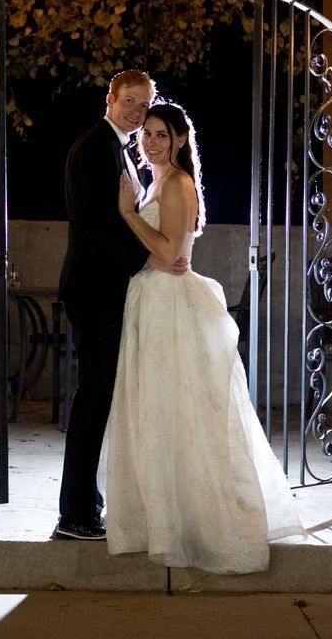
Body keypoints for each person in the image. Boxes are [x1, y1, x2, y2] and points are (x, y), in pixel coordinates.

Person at [104, 99, 305, 574]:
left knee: (184, 413)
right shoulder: (157, 181)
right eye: (146, 134)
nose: (150, 142)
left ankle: (201, 523)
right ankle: (159, 517)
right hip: (152, 302)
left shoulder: (175, 184)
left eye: (160, 134)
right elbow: (158, 254)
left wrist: (128, 215)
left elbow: (169, 251)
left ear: (178, 139)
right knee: (157, 413)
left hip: (171, 306)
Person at [53, 69, 188, 541]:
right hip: (95, 292)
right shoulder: (95, 148)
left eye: (143, 104)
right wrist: (151, 256)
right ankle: (75, 515)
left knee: (99, 398)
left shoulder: (121, 149)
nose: (135, 111)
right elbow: (94, 227)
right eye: (129, 101)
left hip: (109, 291)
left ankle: (86, 502)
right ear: (109, 98)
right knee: (93, 399)